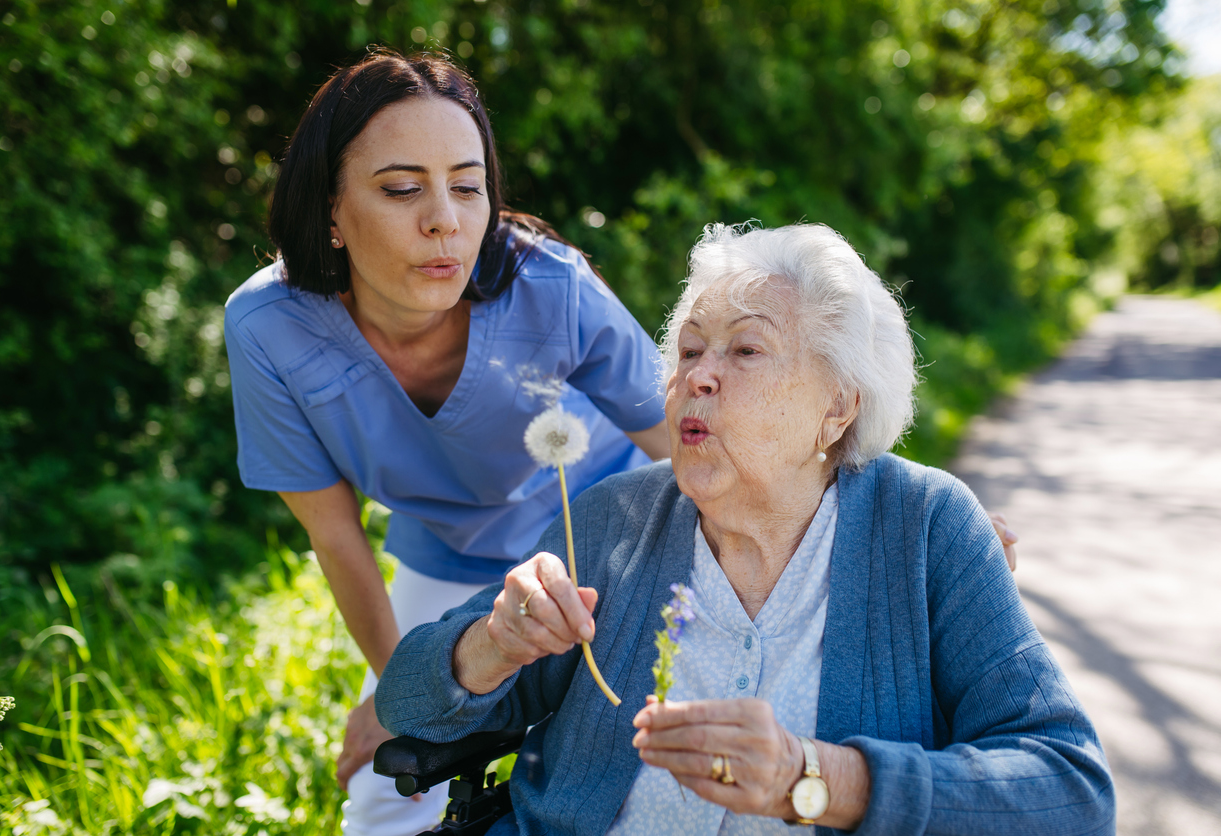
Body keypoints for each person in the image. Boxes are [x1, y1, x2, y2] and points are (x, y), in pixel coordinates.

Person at [378, 223, 1113, 835]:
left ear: (838, 408)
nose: (699, 375)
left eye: (746, 350)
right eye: (690, 350)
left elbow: (1070, 789)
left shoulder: (928, 528)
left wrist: (817, 778)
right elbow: (404, 701)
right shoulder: (612, 518)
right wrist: (490, 646)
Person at [223, 50, 672, 835]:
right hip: (446, 555)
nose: (445, 220)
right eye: (402, 189)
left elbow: (689, 451)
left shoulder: (554, 287)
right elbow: (334, 532)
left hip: (601, 539)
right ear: (330, 211)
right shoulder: (267, 328)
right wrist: (401, 686)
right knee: (384, 784)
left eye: (468, 187)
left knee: (600, 761)